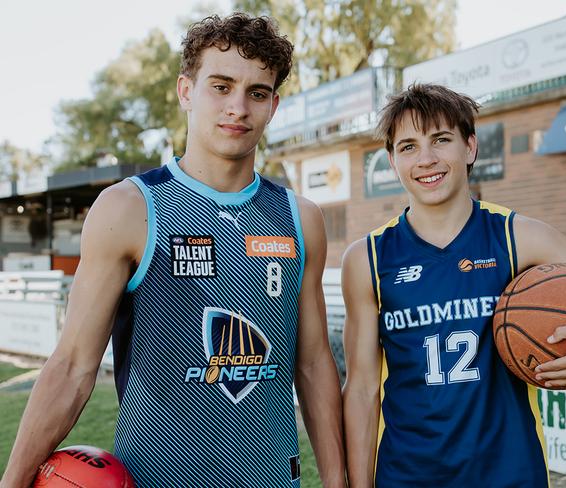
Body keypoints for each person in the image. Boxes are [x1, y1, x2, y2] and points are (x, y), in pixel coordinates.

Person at [1, 13, 345, 487]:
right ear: (186, 91)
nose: (238, 108)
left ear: (274, 105)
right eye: (220, 86)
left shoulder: (301, 218)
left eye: (257, 93)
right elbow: (73, 366)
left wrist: (338, 480)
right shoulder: (129, 208)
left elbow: (312, 364)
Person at [341, 83, 566, 487]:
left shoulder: (519, 237)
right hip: (408, 475)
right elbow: (363, 389)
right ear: (392, 160)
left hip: (511, 473)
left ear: (470, 147)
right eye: (409, 147)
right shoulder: (368, 258)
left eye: (441, 140)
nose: (427, 159)